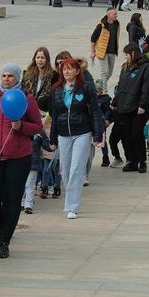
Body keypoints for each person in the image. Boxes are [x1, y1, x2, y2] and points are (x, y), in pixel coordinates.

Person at [0, 63, 42, 259]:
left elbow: (37, 127)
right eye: (3, 75)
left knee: (12, 200)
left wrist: (21, 126)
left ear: (17, 78)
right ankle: (6, 228)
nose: (6, 79)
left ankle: (3, 242)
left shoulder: (26, 98)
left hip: (18, 157)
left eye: (10, 76)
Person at [46, 58, 104, 219]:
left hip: (82, 132)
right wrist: (53, 139)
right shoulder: (56, 89)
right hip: (63, 133)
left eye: (70, 69)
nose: (66, 71)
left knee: (77, 168)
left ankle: (72, 206)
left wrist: (97, 134)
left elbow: (95, 112)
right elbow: (54, 116)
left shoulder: (85, 88)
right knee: (64, 169)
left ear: (77, 71)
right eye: (64, 69)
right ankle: (70, 201)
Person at [90, 7, 121, 85]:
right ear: (109, 14)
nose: (116, 15)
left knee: (110, 73)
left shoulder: (117, 24)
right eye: (115, 14)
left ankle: (98, 85)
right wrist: (92, 52)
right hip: (102, 52)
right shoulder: (101, 25)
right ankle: (104, 91)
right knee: (105, 72)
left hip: (112, 52)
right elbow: (93, 39)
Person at [21, 47, 57, 113]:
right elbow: (23, 90)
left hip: (44, 109)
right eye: (38, 58)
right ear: (34, 59)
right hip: (29, 107)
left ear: (47, 59)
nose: (40, 60)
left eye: (42, 58)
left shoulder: (53, 75)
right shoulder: (27, 74)